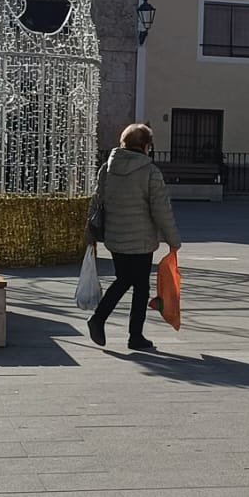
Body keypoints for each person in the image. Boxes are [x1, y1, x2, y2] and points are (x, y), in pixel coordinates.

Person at [88, 122, 181, 352]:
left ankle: (123, 330)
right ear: (146, 146)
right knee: (138, 286)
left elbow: (97, 202)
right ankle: (116, 327)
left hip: (115, 238)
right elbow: (161, 209)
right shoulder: (150, 172)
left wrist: (89, 234)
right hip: (140, 241)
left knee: (125, 279)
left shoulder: (107, 168)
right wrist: (173, 240)